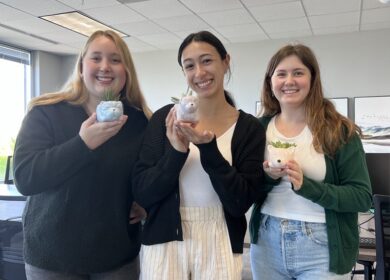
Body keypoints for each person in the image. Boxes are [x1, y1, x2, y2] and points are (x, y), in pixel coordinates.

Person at [13, 30, 151, 280]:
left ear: (126, 70)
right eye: (96, 58)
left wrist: (145, 201)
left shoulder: (139, 121)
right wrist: (83, 144)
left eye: (115, 60)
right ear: (80, 67)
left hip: (116, 257)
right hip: (53, 258)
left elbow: (147, 174)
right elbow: (25, 177)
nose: (105, 67)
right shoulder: (45, 112)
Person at [132, 30, 267, 280]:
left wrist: (208, 148)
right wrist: (176, 150)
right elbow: (144, 192)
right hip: (164, 236)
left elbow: (240, 202)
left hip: (221, 236)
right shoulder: (165, 119)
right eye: (189, 65)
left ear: (225, 62)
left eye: (207, 60)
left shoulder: (249, 128)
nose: (199, 73)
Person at [249, 43, 372, 279]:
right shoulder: (258, 128)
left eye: (298, 73)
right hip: (266, 240)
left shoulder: (338, 130)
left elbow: (361, 197)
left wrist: (308, 187)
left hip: (322, 245)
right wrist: (269, 178)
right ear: (270, 81)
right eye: (281, 74)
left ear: (312, 79)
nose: (289, 81)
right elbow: (247, 190)